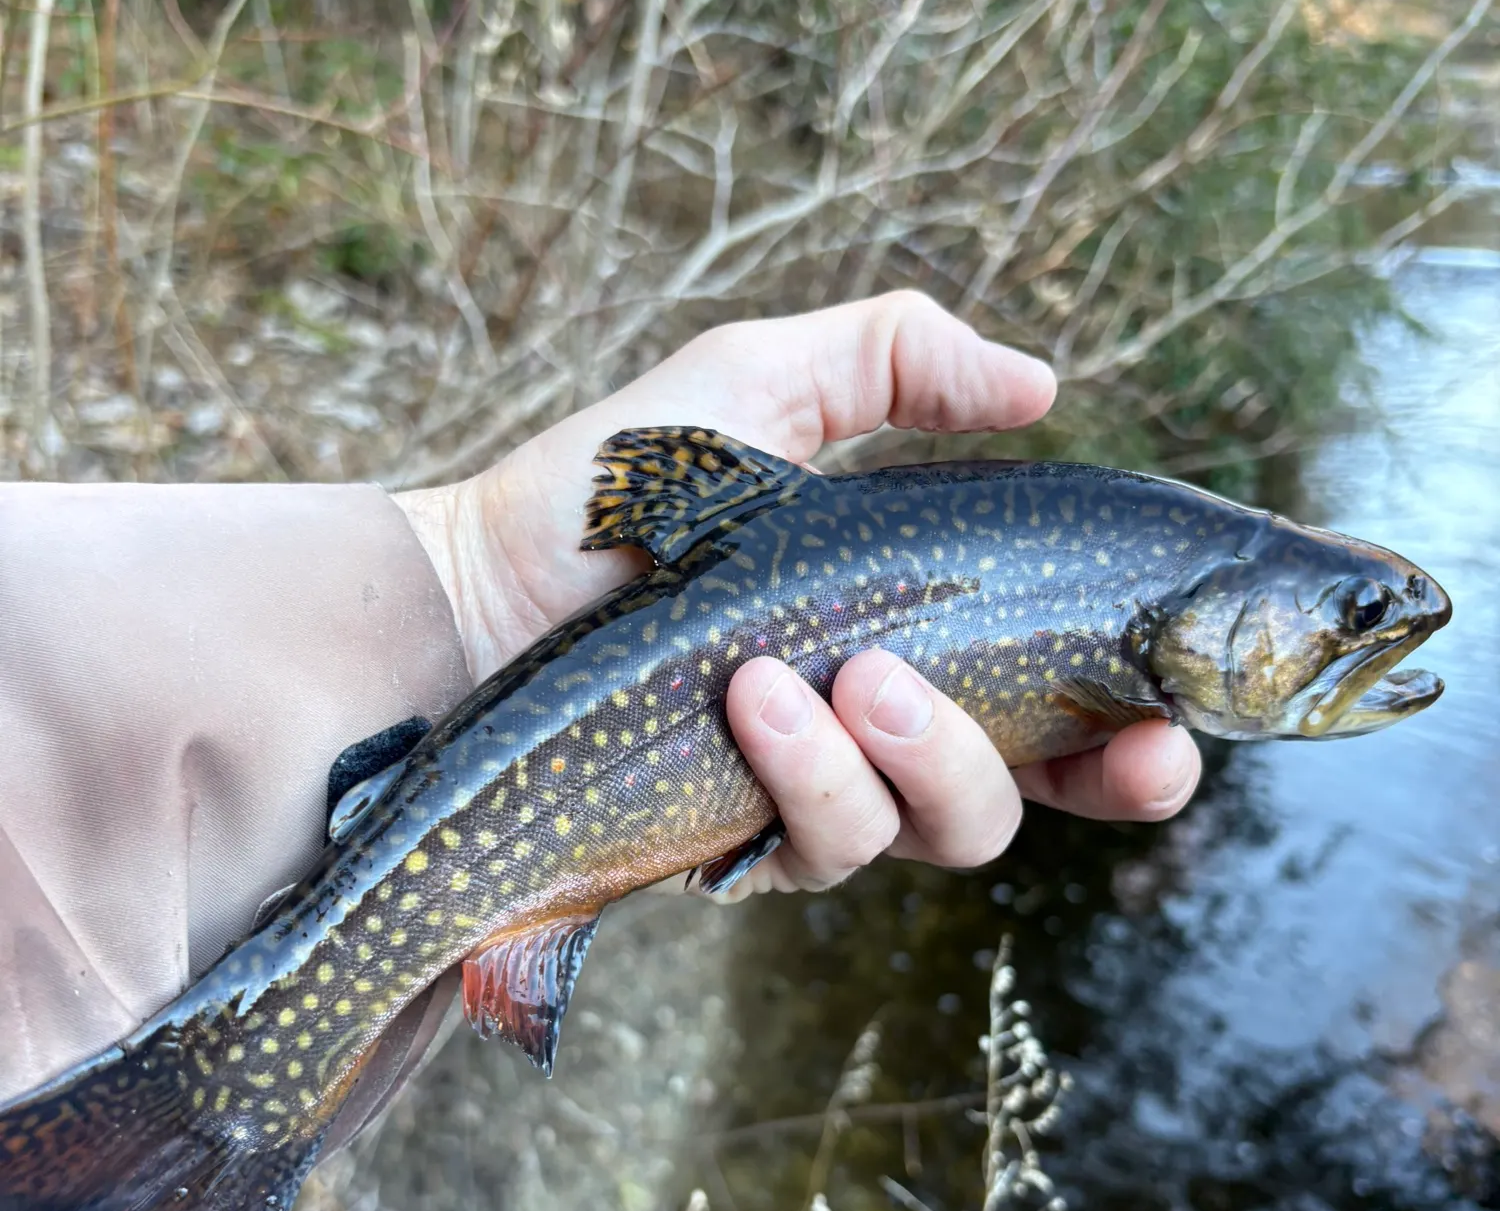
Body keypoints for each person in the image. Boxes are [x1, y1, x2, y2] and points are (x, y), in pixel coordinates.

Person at [0, 292, 1199, 1155]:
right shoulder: (1134, 586)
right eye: (1355, 617)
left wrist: (460, 590)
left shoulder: (1147, 570)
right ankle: (201, 1116)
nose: (1375, 642)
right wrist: (473, 581)